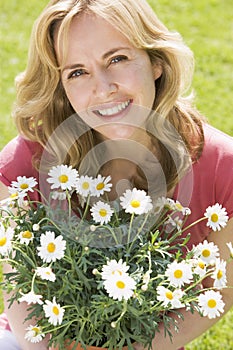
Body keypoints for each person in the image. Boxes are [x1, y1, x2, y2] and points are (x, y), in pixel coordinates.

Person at [0, 0, 233, 349]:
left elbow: (218, 288)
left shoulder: (220, 165)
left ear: (156, 62)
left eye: (117, 59)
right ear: (61, 85)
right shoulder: (27, 163)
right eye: (77, 72)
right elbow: (19, 291)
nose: (103, 86)